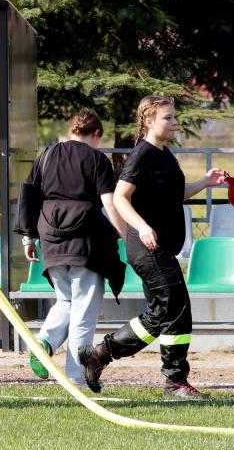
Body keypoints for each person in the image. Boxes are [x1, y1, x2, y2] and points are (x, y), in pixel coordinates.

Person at [78, 95, 226, 398]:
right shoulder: (141, 155)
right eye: (167, 118)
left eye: (174, 117)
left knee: (174, 312)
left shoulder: (164, 154)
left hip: (161, 248)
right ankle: (104, 354)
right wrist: (142, 226)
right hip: (146, 247)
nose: (174, 123)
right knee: (169, 310)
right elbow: (120, 198)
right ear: (149, 121)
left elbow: (173, 194)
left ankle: (170, 379)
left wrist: (205, 182)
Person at [17, 109, 127, 388]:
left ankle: (44, 342)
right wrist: (126, 234)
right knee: (84, 311)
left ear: (72, 131)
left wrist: (28, 237)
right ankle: (75, 377)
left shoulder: (46, 155)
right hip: (85, 241)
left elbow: (28, 195)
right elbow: (109, 202)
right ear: (96, 134)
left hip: (50, 236)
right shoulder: (97, 159)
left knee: (66, 300)